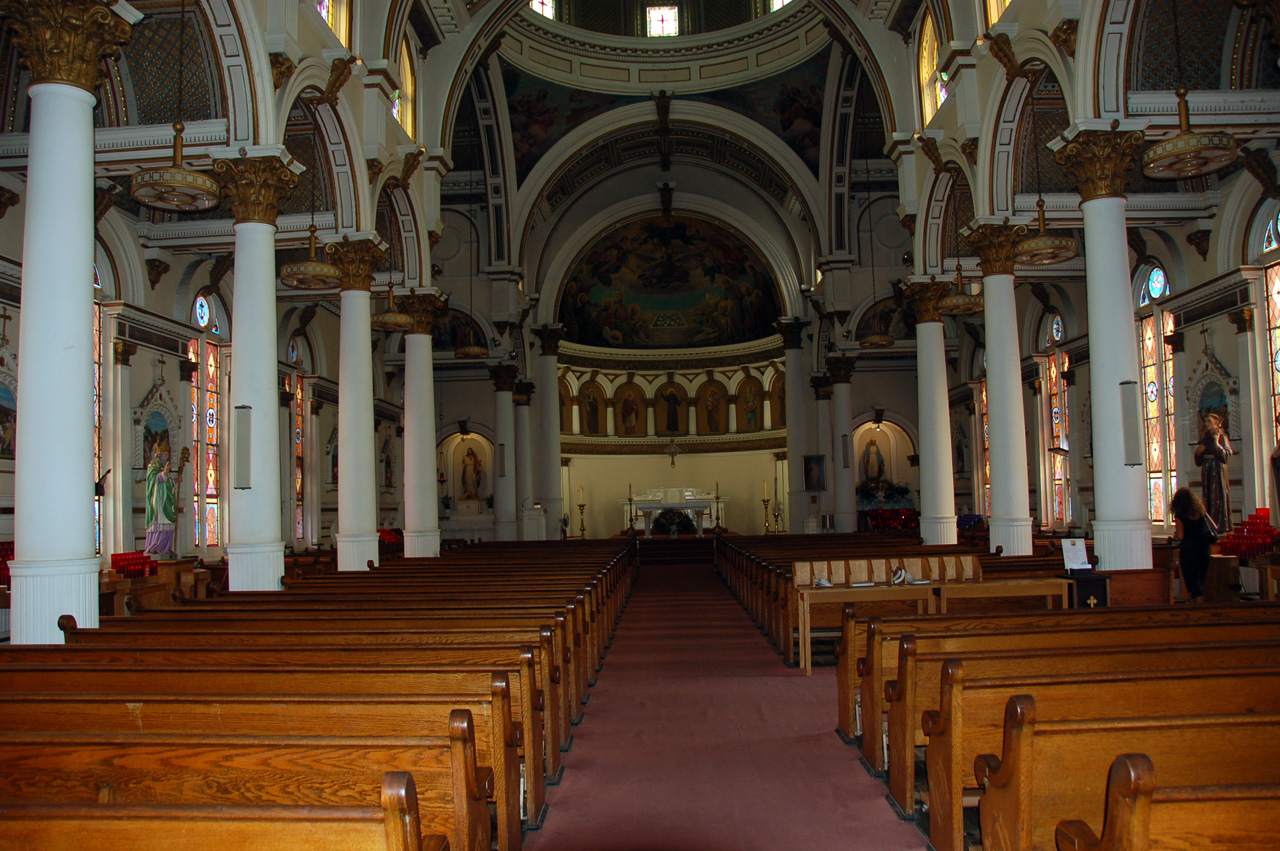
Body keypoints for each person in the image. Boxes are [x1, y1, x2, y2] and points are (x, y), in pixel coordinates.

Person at [1171, 486, 1217, 603]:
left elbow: (1181, 536)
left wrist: (1176, 535)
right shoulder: (1201, 513)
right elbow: (1215, 527)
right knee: (1199, 582)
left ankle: (1200, 611)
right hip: (1204, 550)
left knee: (1193, 584)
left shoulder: (1180, 516)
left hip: (1189, 552)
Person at [1194, 411, 1233, 532]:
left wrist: (1217, 445)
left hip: (1217, 470)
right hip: (1207, 469)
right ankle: (1209, 525)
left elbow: (1227, 454)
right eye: (1206, 422)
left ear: (1216, 423)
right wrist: (1198, 453)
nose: (1207, 424)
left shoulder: (1222, 437)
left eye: (1209, 421)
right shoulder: (1205, 438)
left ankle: (1220, 525)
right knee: (1208, 497)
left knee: (1217, 497)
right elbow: (1199, 461)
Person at [144, 441, 177, 554]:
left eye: (168, 455)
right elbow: (152, 482)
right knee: (158, 525)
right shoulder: (152, 467)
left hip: (166, 502)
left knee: (168, 524)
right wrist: (163, 474)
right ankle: (155, 547)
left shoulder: (164, 468)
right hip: (157, 502)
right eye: (165, 455)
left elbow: (169, 483)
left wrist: (174, 480)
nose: (167, 458)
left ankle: (165, 547)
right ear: (159, 455)